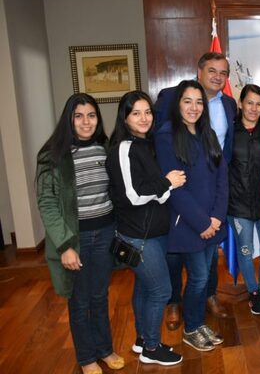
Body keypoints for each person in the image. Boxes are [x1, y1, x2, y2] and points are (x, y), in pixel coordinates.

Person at [35, 94, 124, 374]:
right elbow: (47, 203)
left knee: (99, 296)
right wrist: (65, 246)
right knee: (79, 299)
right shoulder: (52, 155)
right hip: (76, 239)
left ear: (98, 119)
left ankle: (105, 350)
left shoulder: (105, 147)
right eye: (79, 116)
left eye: (91, 115)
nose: (86, 122)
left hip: (106, 233)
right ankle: (86, 357)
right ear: (68, 119)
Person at [155, 52, 236, 327]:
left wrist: (216, 217)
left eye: (198, 102)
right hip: (189, 222)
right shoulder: (167, 136)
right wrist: (203, 222)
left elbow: (222, 176)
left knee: (204, 276)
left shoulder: (208, 132)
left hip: (212, 218)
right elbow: (175, 187)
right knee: (197, 276)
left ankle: (196, 321)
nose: (194, 107)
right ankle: (191, 324)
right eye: (187, 101)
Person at [106, 91, 186, 366]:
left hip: (153, 233)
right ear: (125, 117)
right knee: (161, 291)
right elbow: (132, 195)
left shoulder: (144, 145)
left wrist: (163, 186)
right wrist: (167, 183)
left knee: (144, 287)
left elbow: (152, 192)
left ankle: (142, 340)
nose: (144, 118)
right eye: (136, 113)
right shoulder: (124, 148)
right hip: (138, 236)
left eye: (147, 112)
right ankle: (152, 347)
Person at [228, 84, 260, 315]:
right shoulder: (229, 132)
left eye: (259, 104)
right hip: (238, 205)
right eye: (250, 102)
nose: (254, 108)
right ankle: (254, 292)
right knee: (246, 251)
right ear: (241, 103)